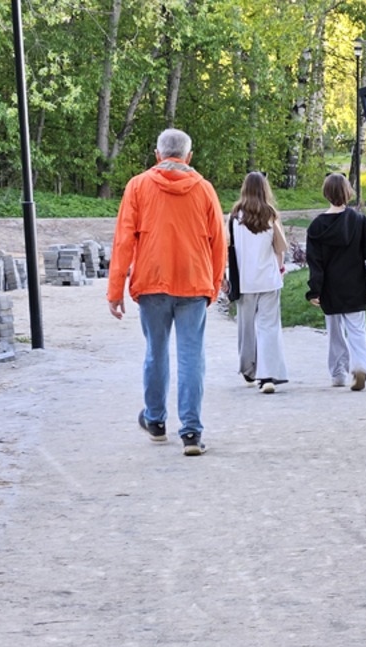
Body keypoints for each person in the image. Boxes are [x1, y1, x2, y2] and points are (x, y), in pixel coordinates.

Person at [108, 127, 225, 457]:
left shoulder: (138, 186)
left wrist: (115, 290)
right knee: (191, 356)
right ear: (189, 157)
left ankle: (156, 421)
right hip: (193, 282)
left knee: (155, 352)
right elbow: (219, 242)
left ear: (158, 155)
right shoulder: (204, 189)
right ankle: (191, 432)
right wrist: (213, 287)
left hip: (152, 280)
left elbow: (123, 240)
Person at [305, 173, 366, 390]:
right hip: (356, 282)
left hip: (330, 286)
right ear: (347, 192)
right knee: (357, 329)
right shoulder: (358, 220)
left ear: (326, 194)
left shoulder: (317, 226)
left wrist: (315, 290)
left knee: (334, 331)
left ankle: (338, 373)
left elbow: (315, 262)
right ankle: (360, 367)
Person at [230, 171, 289, 393]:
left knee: (246, 327)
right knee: (269, 327)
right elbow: (280, 248)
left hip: (244, 280)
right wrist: (280, 267)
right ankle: (268, 376)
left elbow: (230, 249)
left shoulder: (235, 216)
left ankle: (248, 368)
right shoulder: (270, 214)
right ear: (265, 189)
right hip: (268, 279)